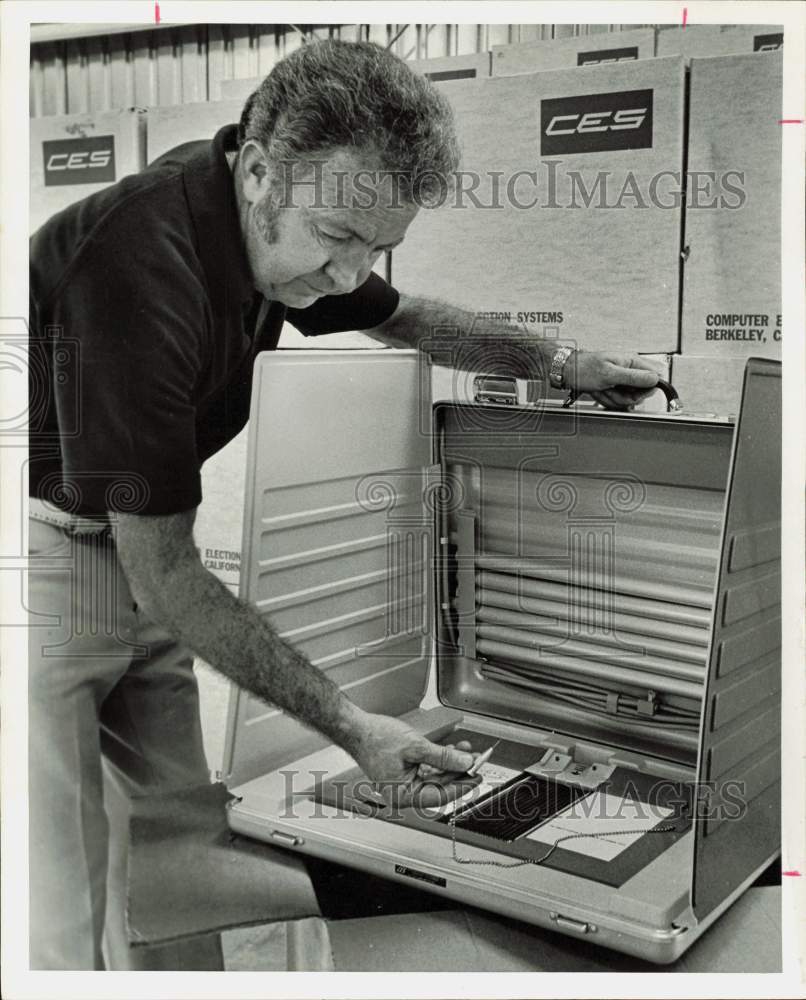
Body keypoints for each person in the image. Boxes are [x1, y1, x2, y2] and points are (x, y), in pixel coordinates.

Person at [27, 38, 660, 971]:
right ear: (256, 173)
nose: (346, 271)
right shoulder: (136, 267)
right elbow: (165, 576)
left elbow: (400, 316)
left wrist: (563, 364)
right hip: (44, 565)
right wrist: (354, 727)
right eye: (336, 239)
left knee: (176, 850)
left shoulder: (283, 232)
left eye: (377, 243)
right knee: (55, 883)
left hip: (136, 549)